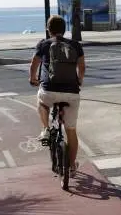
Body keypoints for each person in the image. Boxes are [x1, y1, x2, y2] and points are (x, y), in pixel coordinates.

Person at [28, 15, 86, 173]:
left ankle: (46, 128)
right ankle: (72, 166)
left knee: (41, 101)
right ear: (64, 29)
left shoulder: (43, 44)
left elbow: (34, 64)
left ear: (48, 29)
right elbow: (81, 66)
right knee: (71, 131)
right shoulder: (75, 45)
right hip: (71, 93)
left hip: (49, 90)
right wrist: (79, 80)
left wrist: (32, 79)